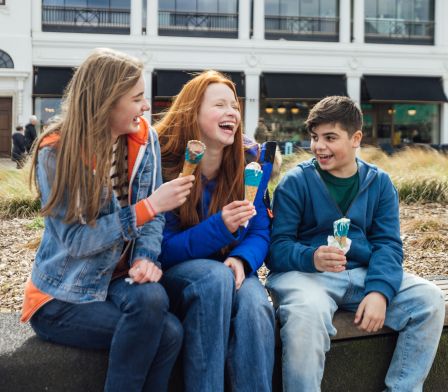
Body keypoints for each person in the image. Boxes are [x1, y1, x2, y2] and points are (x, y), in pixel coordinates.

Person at [20, 48, 196, 392]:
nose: (146, 107)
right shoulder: (56, 151)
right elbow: (77, 241)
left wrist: (145, 257)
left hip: (115, 281)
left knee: (159, 308)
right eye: (137, 98)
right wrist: (147, 208)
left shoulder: (147, 139)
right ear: (106, 101)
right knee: (167, 334)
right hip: (62, 295)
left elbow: (154, 219)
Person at [266, 96, 445, 391]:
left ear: (356, 138)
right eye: (314, 138)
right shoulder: (295, 182)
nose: (319, 146)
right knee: (305, 315)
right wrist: (312, 257)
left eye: (330, 137)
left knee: (429, 300)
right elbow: (276, 249)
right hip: (306, 277)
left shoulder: (380, 183)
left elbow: (388, 246)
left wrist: (379, 291)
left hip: (362, 275)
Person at [156, 70, 275, 392]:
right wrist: (219, 228)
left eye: (234, 106)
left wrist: (242, 260)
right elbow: (162, 250)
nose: (232, 113)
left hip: (231, 267)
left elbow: (260, 229)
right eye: (219, 105)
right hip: (178, 276)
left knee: (256, 306)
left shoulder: (250, 164)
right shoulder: (162, 164)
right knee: (213, 279)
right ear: (192, 113)